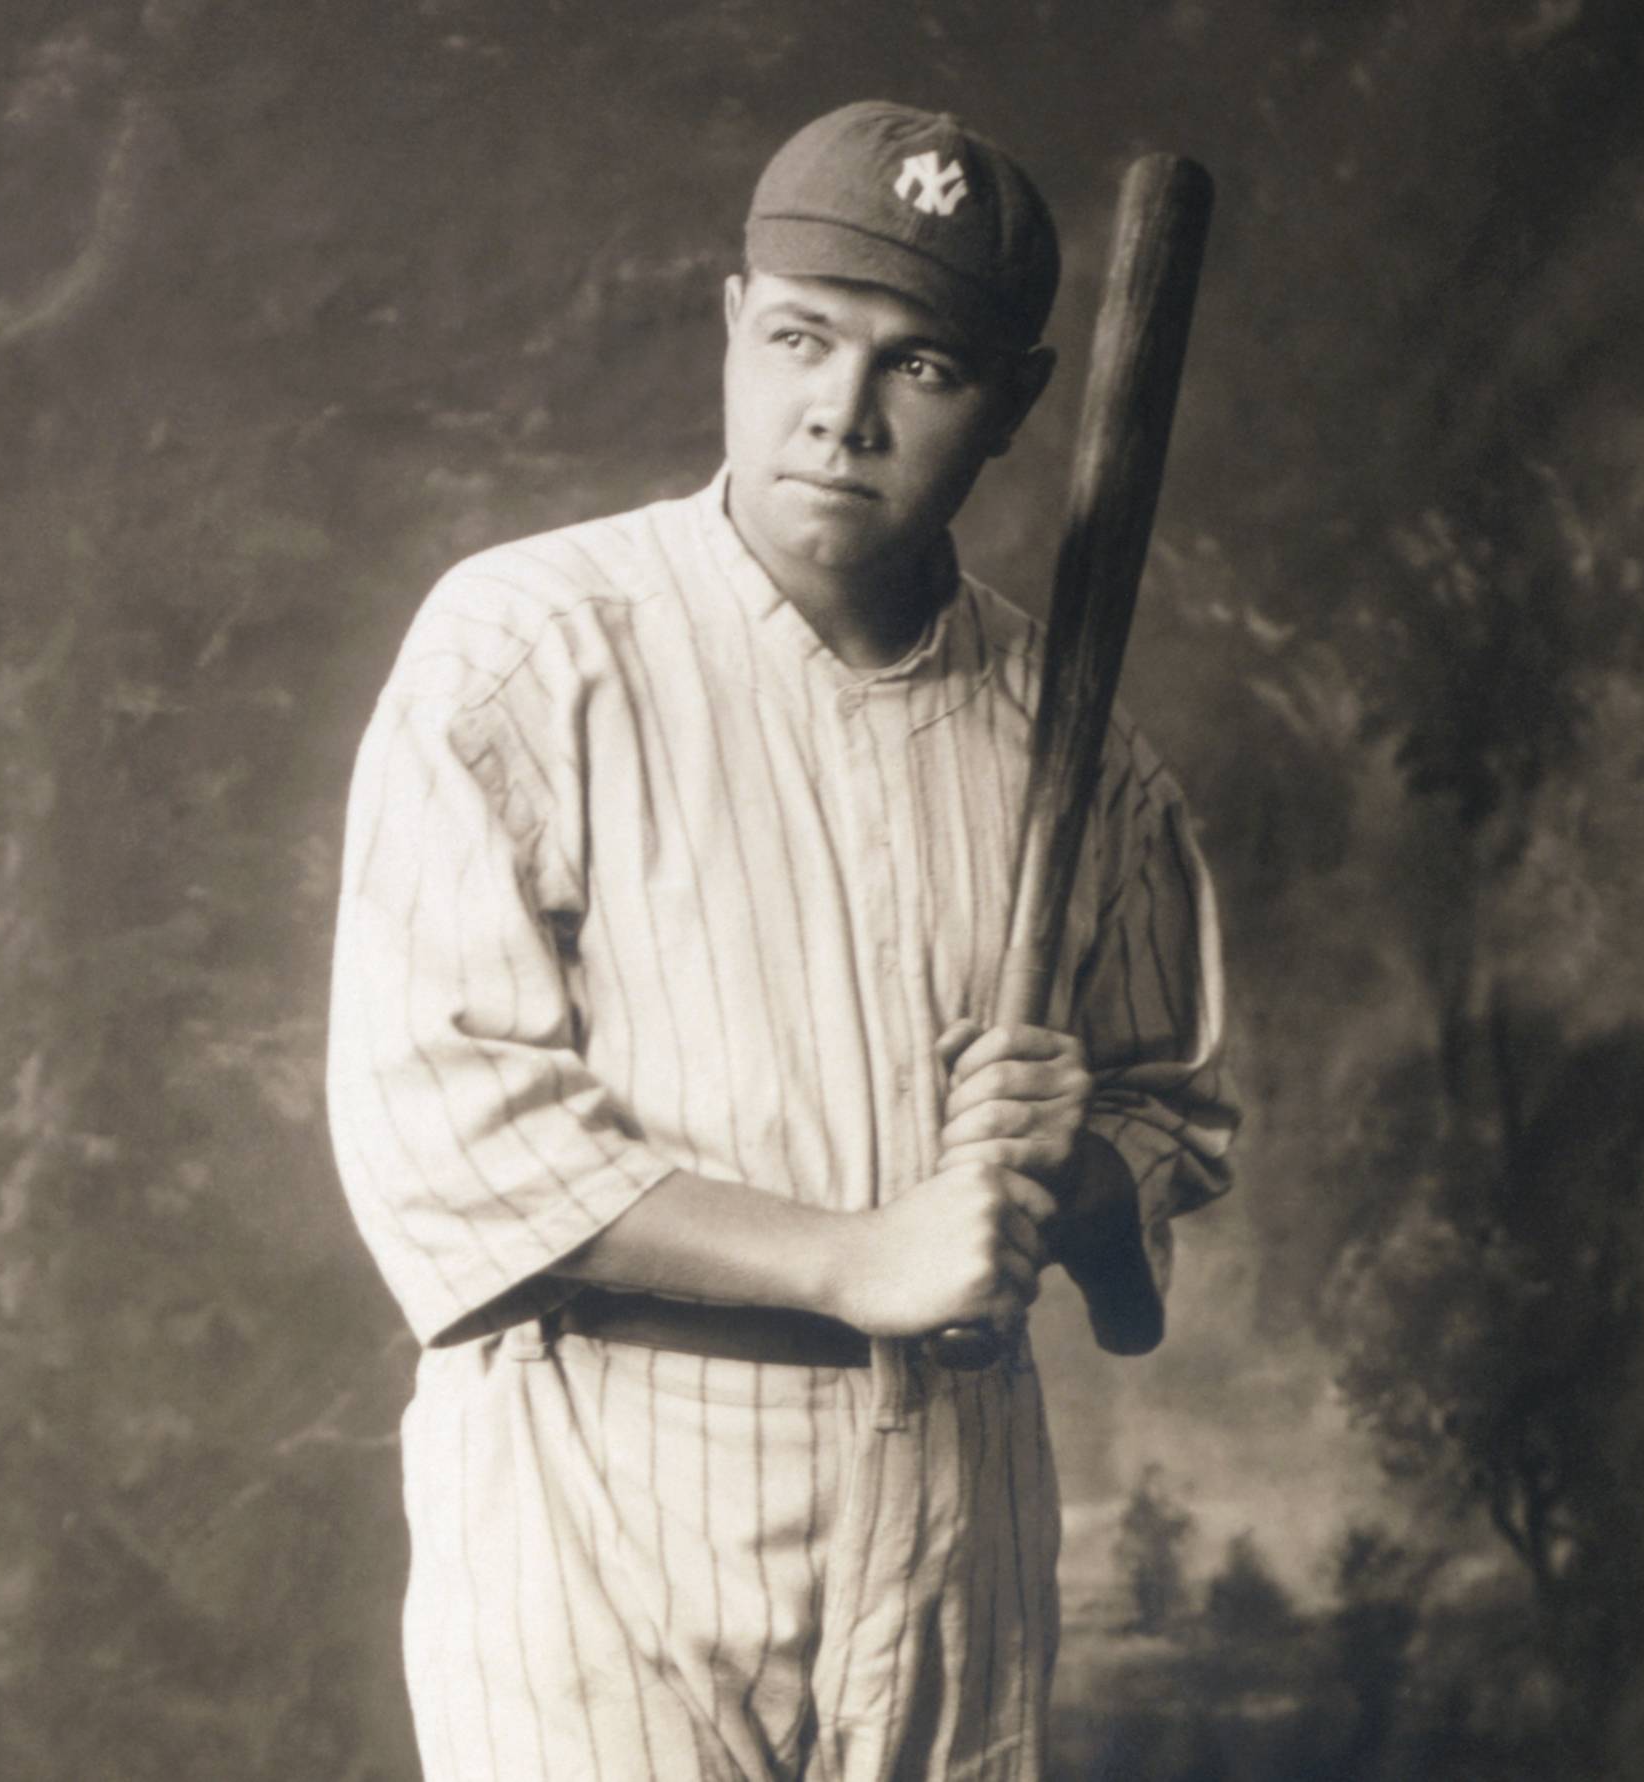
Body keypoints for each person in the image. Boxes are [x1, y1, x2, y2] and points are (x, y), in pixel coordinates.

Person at [326, 99, 1236, 1782]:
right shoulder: (532, 647)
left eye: (925, 368)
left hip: (953, 1507)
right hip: (605, 1485)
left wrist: (1066, 1175)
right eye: (806, 338)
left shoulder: (1079, 741)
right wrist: (855, 1252)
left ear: (1015, 404)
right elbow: (443, 1131)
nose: (843, 413)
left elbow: (1164, 1125)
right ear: (733, 326)